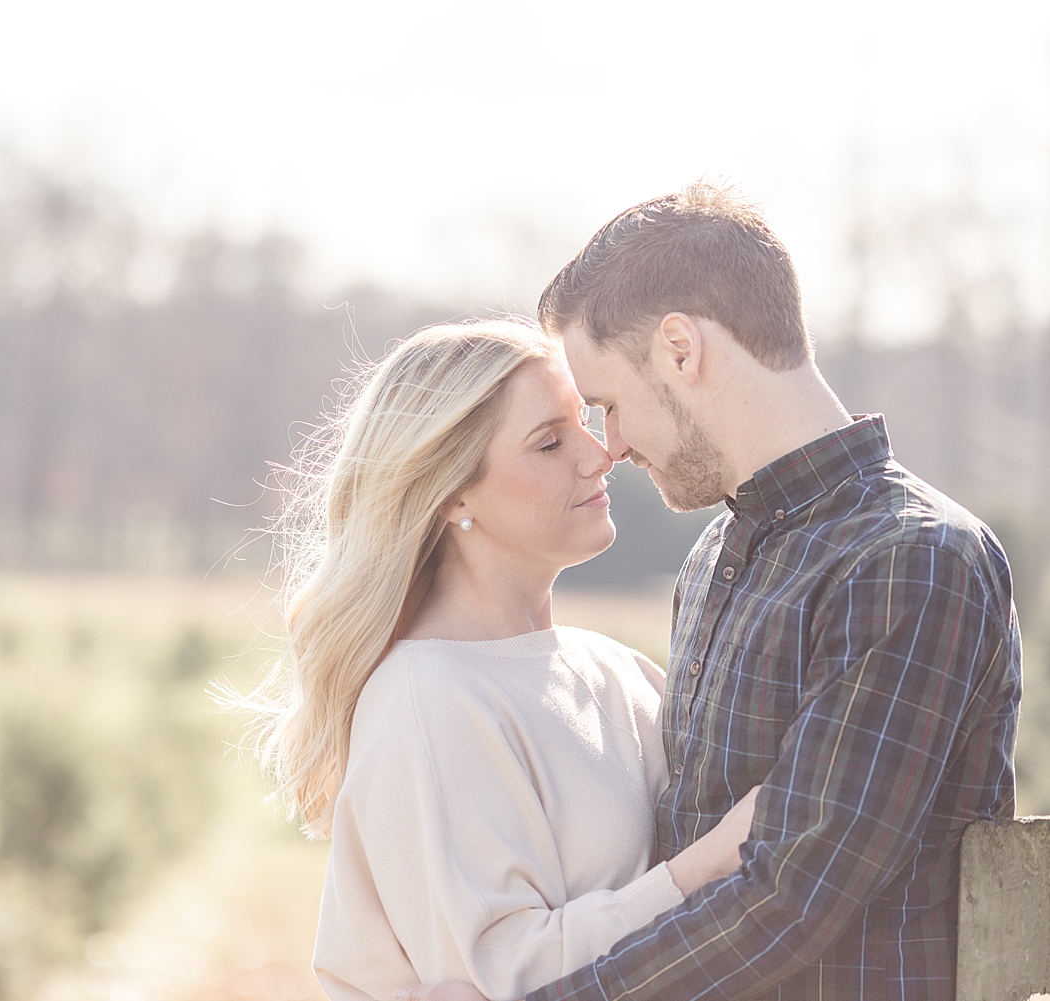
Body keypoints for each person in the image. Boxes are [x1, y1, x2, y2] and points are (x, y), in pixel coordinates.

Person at [400, 185, 1022, 1001]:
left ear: (681, 349)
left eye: (611, 405)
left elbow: (790, 894)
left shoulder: (911, 558)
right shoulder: (717, 557)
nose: (610, 446)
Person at [237, 318, 759, 1001]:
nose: (598, 455)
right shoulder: (426, 699)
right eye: (549, 441)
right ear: (453, 492)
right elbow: (503, 977)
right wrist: (707, 867)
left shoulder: (615, 670)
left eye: (584, 422)